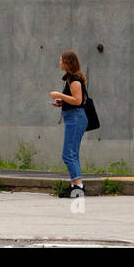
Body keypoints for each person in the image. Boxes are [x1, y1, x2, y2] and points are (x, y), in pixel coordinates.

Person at [48, 51, 88, 198]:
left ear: (67, 63)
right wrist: (63, 102)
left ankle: (78, 186)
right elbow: (77, 99)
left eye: (61, 60)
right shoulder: (72, 78)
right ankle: (75, 186)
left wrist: (59, 95)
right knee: (72, 153)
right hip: (75, 117)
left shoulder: (75, 79)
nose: (59, 62)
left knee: (68, 154)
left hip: (75, 118)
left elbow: (78, 101)